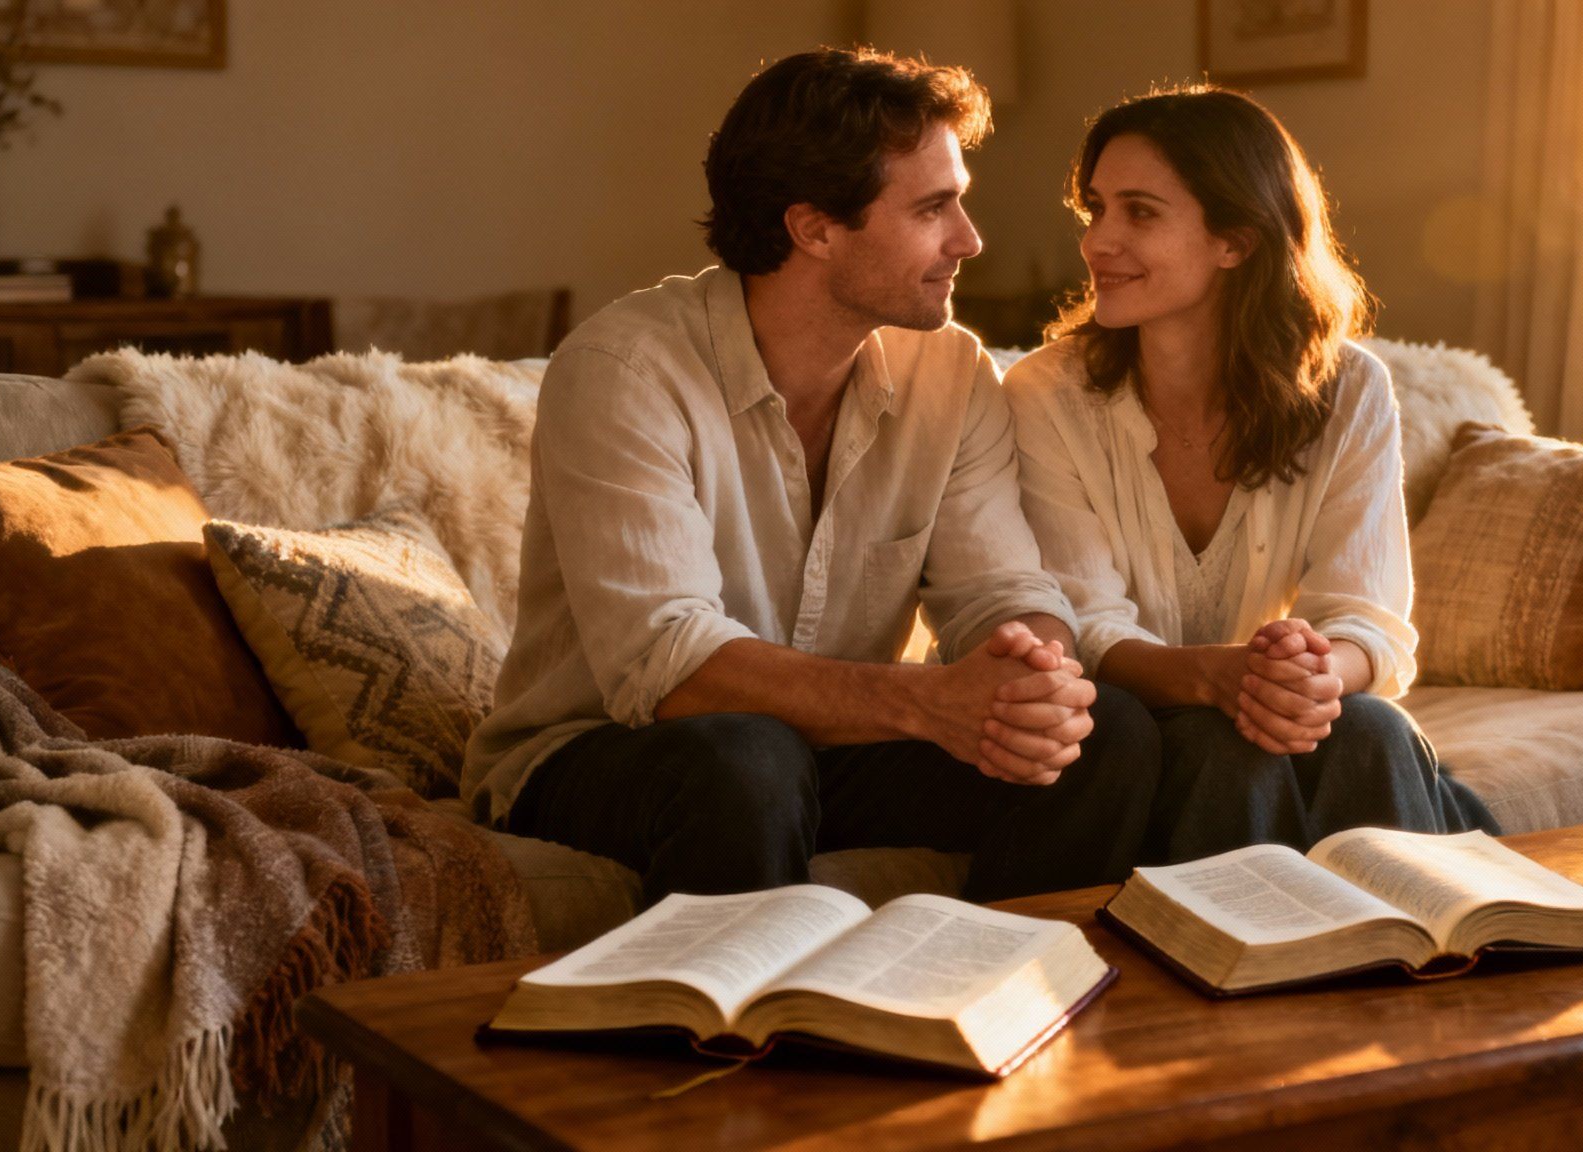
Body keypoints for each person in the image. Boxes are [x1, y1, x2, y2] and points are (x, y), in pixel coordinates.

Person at [462, 49, 1160, 909]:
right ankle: (730, 1039)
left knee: (1108, 733)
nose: (969, 240)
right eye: (934, 207)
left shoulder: (951, 373)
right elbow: (669, 665)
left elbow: (999, 591)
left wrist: (1036, 678)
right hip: (607, 752)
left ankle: (993, 1001)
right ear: (815, 228)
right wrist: (930, 700)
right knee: (748, 757)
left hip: (830, 750)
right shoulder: (625, 368)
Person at [1001, 87, 1495, 866]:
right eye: (1095, 209)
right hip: (1116, 734)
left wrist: (1306, 679)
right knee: (1225, 748)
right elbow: (1083, 628)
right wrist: (1220, 679)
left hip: (1258, 709)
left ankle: (1427, 964)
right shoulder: (1045, 394)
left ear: (1235, 240)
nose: (1099, 242)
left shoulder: (1349, 390)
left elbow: (1367, 622)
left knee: (1372, 726)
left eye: (1140, 212)